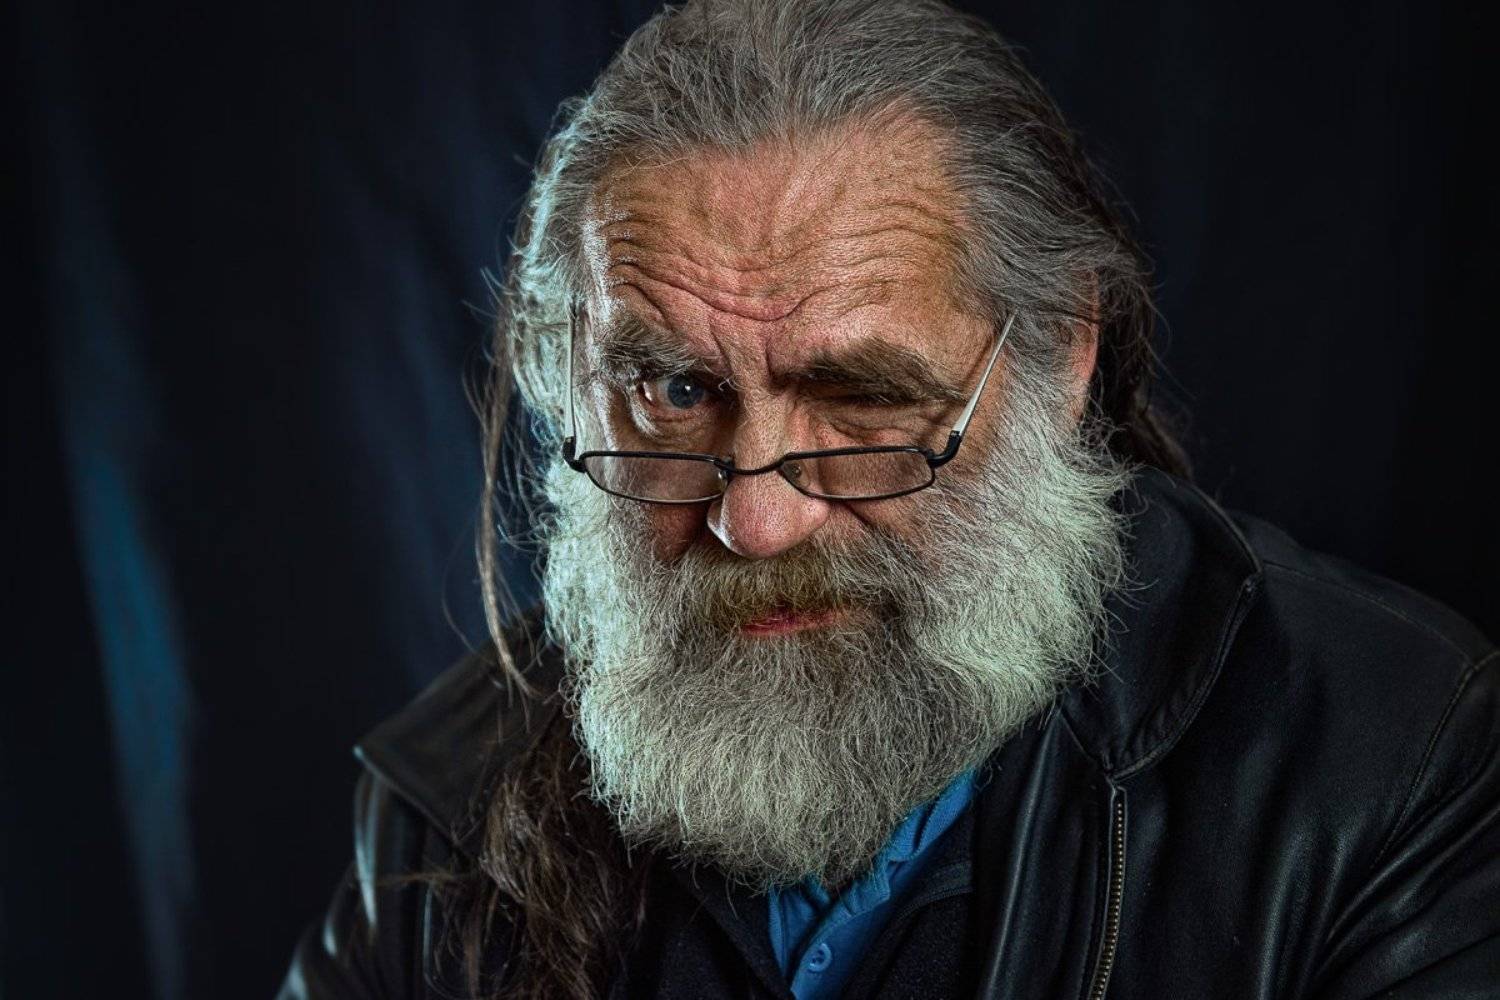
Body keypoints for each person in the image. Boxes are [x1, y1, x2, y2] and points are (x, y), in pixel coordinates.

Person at [277, 1, 1499, 997]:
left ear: (1061, 360)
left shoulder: (1389, 764)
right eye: (675, 392)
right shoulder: (446, 813)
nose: (757, 525)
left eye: (863, 398)